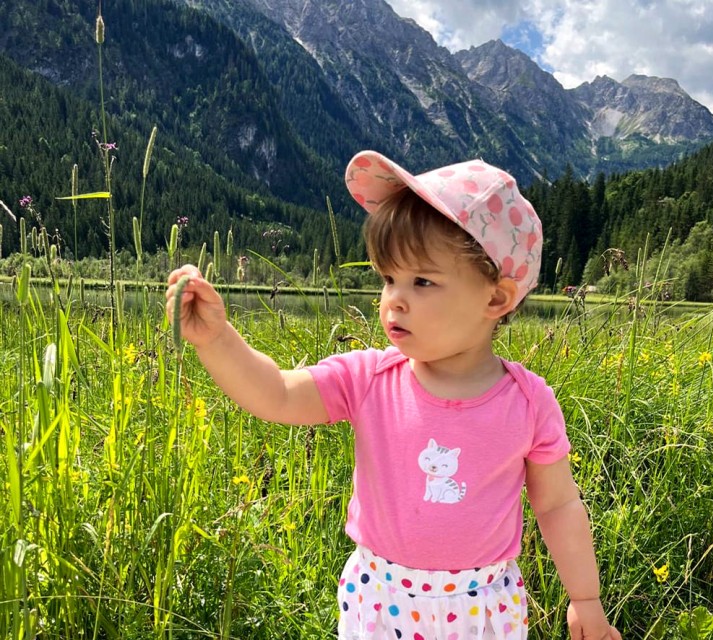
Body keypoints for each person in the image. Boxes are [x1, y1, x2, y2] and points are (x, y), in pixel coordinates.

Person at [165, 150, 621, 640]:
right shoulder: (368, 378)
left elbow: (557, 506)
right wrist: (216, 340)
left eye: (422, 280)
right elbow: (275, 393)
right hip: (381, 604)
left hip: (482, 612)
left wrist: (585, 600)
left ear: (496, 298)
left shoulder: (528, 403)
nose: (393, 299)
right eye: (388, 278)